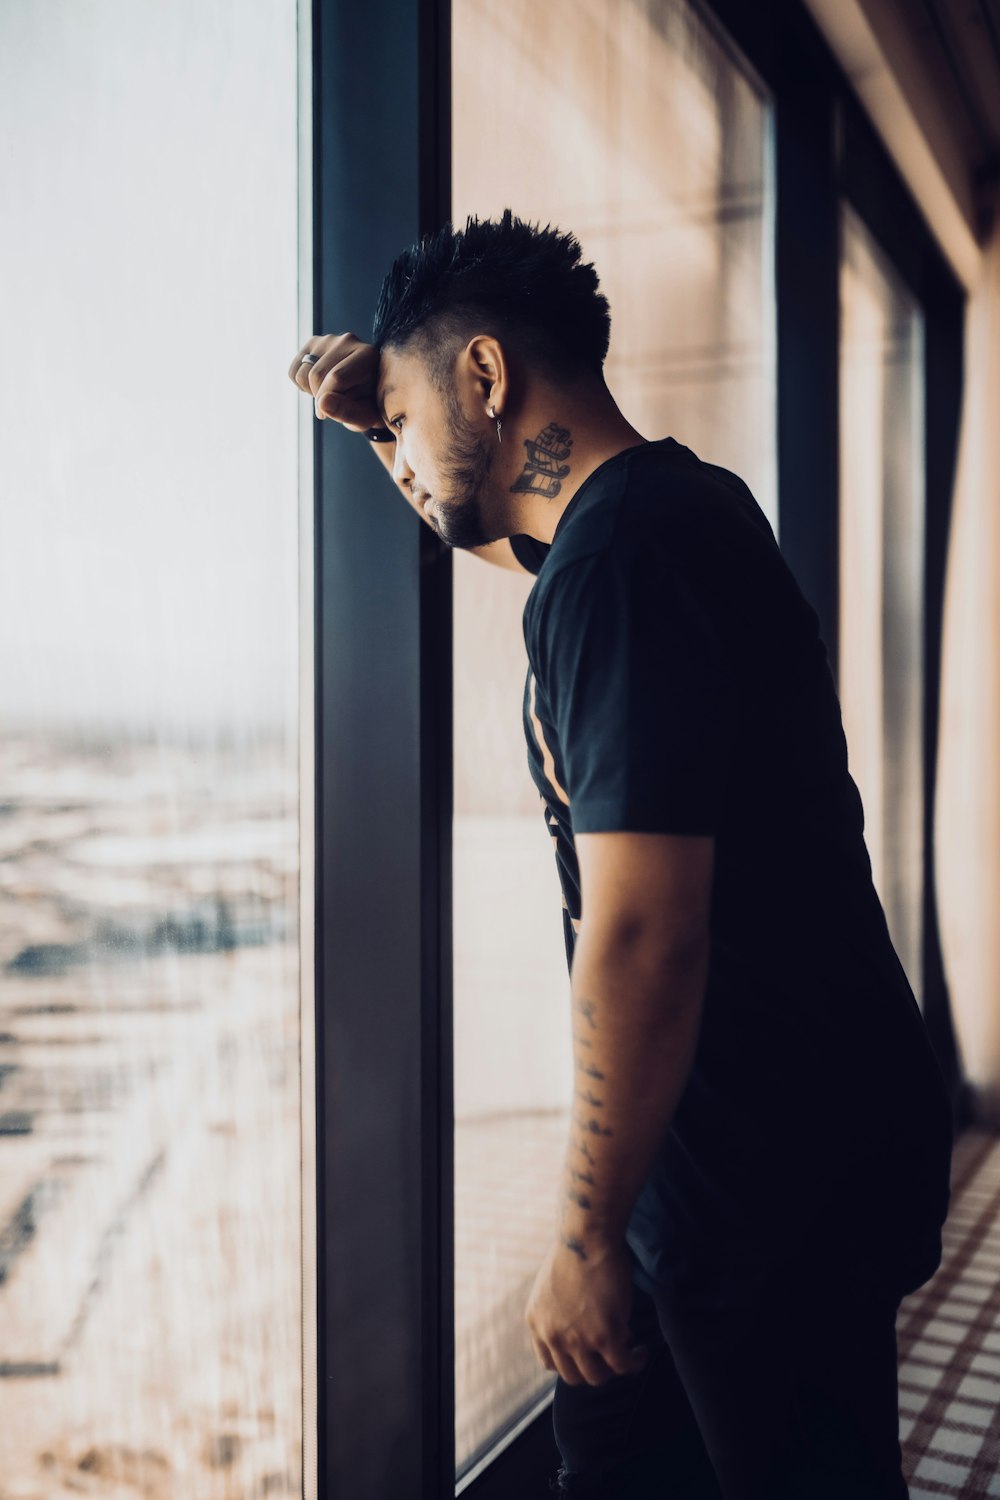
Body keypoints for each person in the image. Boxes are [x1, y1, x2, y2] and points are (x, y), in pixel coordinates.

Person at [287, 210, 954, 1498]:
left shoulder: (626, 561)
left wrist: (584, 1236)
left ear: (485, 375)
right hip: (729, 1154)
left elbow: (645, 927)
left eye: (414, 418)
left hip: (764, 1186)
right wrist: (384, 423)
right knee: (614, 1456)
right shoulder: (658, 519)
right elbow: (471, 518)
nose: (409, 460)